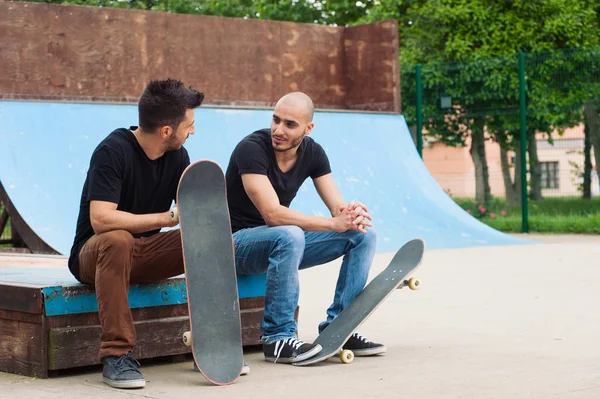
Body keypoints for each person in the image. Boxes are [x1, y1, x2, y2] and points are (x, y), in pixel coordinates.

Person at [67, 79, 249, 389]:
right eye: (189, 125)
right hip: (95, 255)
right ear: (167, 130)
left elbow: (192, 219)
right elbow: (100, 219)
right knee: (118, 239)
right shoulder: (113, 151)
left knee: (216, 240)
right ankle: (117, 355)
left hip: (144, 253)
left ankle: (209, 344)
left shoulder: (179, 158)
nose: (192, 131)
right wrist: (166, 217)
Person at [225, 92, 385, 364]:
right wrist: (334, 223)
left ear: (308, 128)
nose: (278, 130)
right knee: (289, 233)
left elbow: (337, 208)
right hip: (235, 245)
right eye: (276, 120)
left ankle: (341, 326)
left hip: (282, 243)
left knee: (363, 235)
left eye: (290, 124)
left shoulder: (313, 153)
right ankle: (277, 337)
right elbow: (273, 215)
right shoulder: (251, 149)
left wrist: (350, 214)